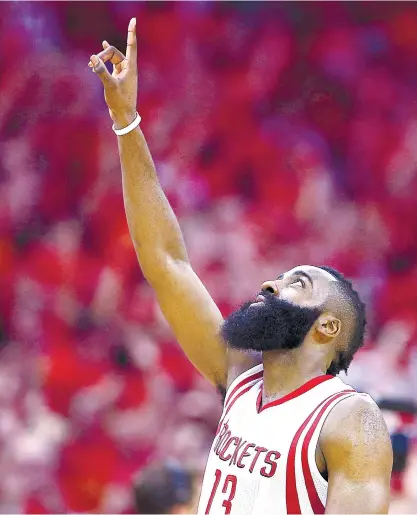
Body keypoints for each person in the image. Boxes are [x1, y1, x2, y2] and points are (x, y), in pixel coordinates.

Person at [89, 18, 393, 514]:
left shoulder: (347, 420)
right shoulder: (240, 377)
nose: (271, 284)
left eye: (297, 283)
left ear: (328, 326)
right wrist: (127, 122)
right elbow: (166, 262)